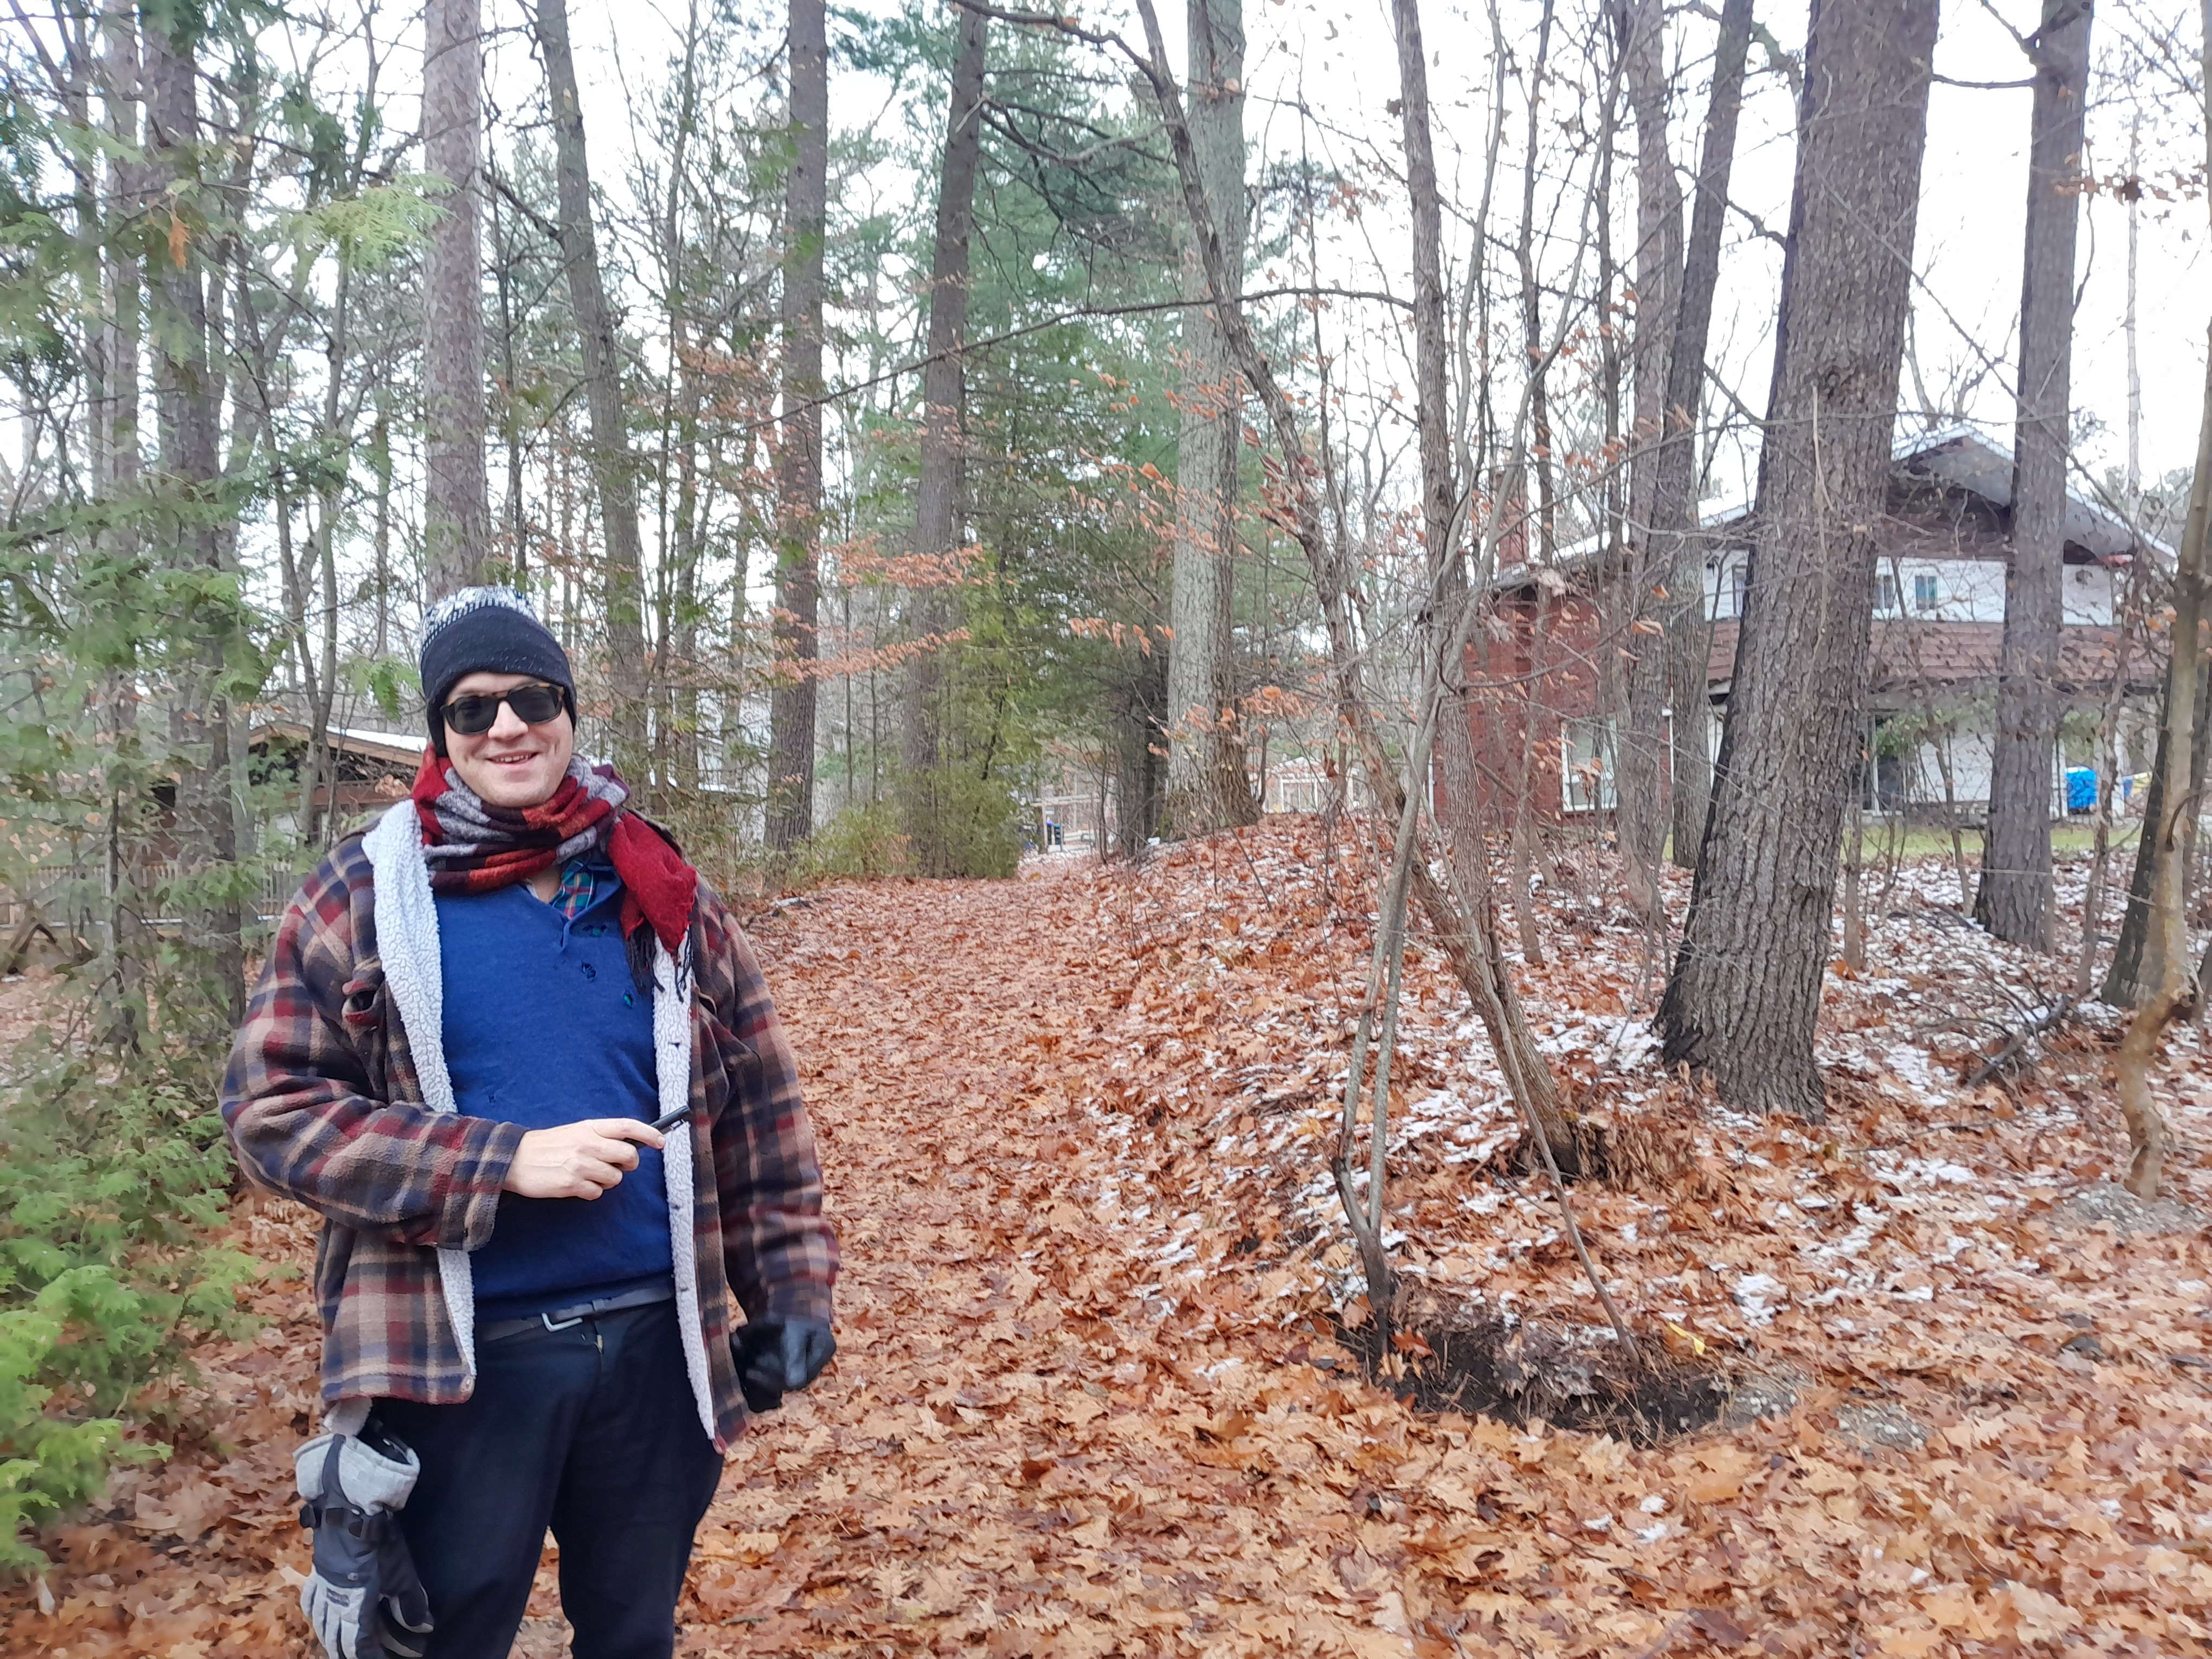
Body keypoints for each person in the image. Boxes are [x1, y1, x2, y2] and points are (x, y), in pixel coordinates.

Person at [223, 587, 838, 1659]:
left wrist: (792, 1292)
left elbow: (761, 1113)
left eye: (532, 698)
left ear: (567, 710)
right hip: (460, 1363)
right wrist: (498, 1162)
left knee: (633, 1634)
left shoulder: (657, 882)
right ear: (442, 732)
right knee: (448, 1638)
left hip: (658, 1348)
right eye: (472, 708)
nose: (507, 726)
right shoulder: (363, 894)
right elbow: (270, 1114)